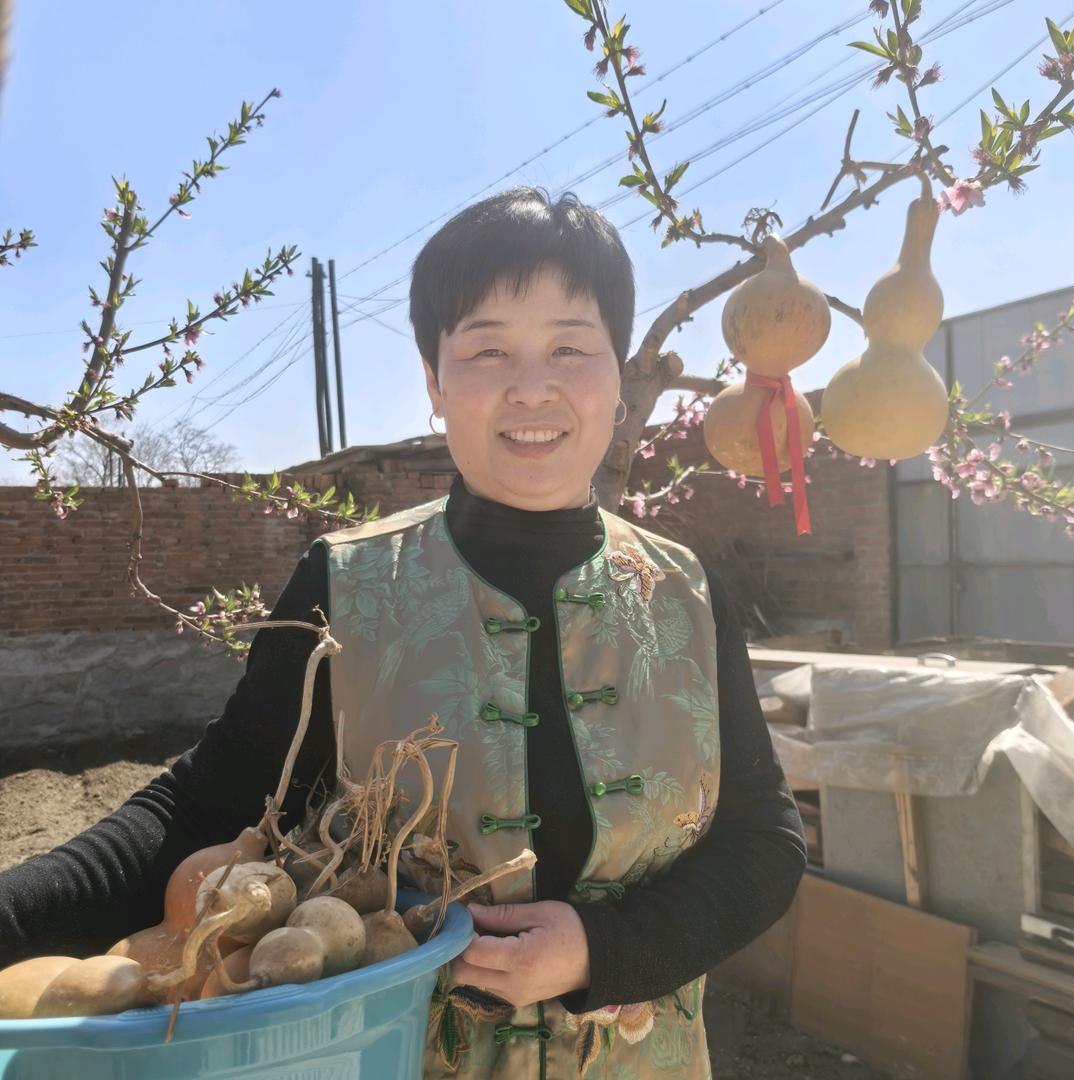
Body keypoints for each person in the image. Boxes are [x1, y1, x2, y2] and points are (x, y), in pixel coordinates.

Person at [0, 186, 806, 1077]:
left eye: (570, 348)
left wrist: (603, 950)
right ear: (434, 381)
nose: (531, 386)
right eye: (487, 348)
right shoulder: (347, 586)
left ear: (617, 375)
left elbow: (764, 841)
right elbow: (203, 806)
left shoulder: (687, 594)